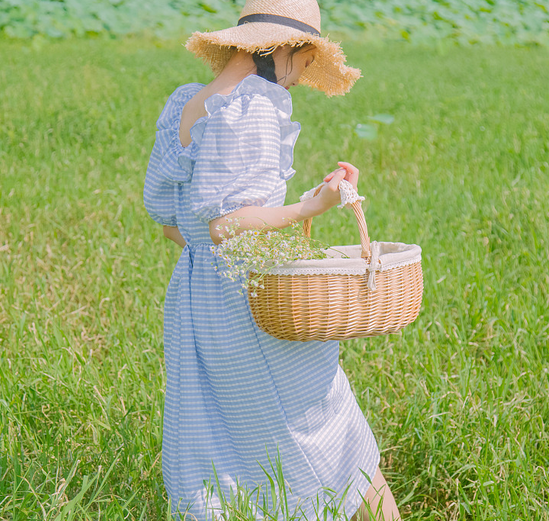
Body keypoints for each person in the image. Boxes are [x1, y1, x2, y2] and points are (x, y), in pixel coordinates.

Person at [143, 0, 402, 519]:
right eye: (306, 64)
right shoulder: (256, 104)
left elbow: (177, 223)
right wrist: (312, 206)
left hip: (196, 305)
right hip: (250, 302)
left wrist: (268, 220)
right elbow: (227, 224)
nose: (301, 78)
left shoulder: (189, 104)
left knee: (227, 442)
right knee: (331, 426)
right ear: (287, 49)